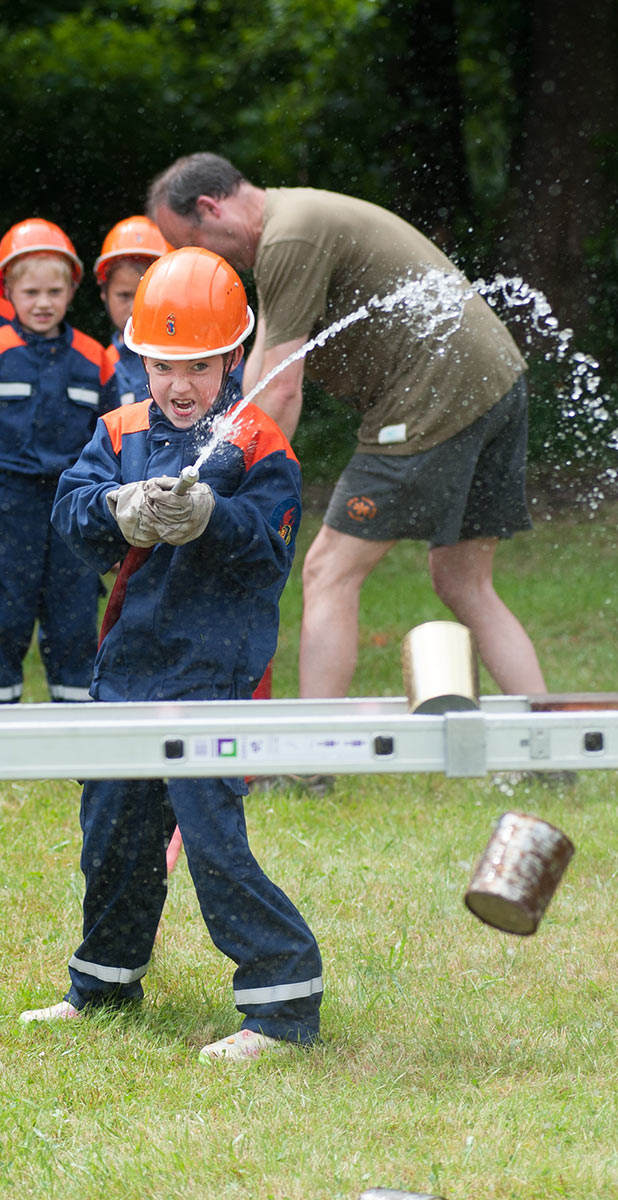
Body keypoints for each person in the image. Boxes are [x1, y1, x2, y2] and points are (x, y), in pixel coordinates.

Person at [21, 246, 323, 1062]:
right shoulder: (117, 430)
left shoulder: (261, 446)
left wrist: (209, 521)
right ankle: (104, 984)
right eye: (162, 364)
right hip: (126, 671)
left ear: (234, 358)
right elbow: (70, 516)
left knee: (211, 840)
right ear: (139, 357)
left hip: (215, 675)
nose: (179, 383)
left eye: (198, 364)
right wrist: (118, 509)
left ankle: (283, 998)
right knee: (111, 830)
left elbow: (268, 556)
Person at [145, 154, 548, 749]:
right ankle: (547, 743)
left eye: (195, 242)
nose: (209, 260)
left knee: (328, 569)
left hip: (435, 393)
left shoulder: (290, 236)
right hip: (494, 384)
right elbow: (263, 366)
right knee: (464, 581)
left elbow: (281, 386)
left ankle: (315, 753)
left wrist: (225, 478)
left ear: (211, 208)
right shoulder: (294, 219)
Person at [0, 217, 116, 704]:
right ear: (8, 291)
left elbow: (114, 434)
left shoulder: (95, 358)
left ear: (72, 289)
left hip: (74, 505)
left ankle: (79, 731)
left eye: (53, 290)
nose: (43, 302)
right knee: (5, 613)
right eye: (30, 292)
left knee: (73, 619)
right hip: (9, 506)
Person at [95, 215, 171, 406]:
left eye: (145, 296)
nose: (134, 308)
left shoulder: (198, 356)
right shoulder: (96, 368)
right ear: (104, 293)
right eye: (124, 295)